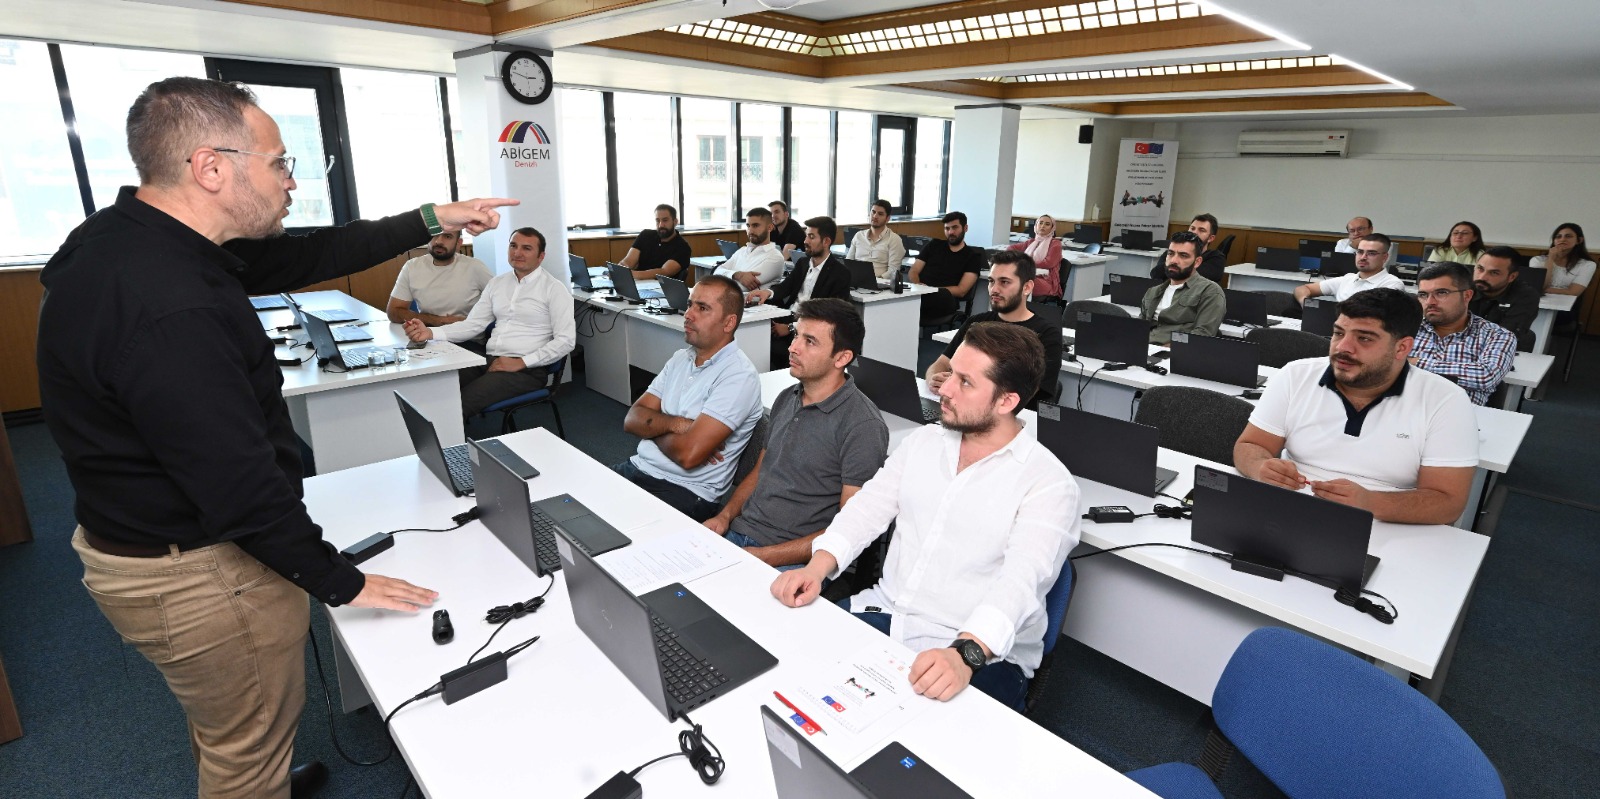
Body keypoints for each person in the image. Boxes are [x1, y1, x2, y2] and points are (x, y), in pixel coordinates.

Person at [35, 77, 507, 798]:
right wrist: (340, 580)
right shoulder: (173, 306)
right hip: (198, 573)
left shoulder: (133, 236)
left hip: (137, 539)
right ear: (211, 168)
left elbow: (308, 256)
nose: (293, 182)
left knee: (230, 723)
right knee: (243, 756)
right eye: (281, 163)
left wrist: (429, 215)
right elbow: (239, 491)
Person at [769, 323, 1080, 711]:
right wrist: (817, 567)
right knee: (784, 670)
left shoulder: (1049, 484)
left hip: (977, 649)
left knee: (902, 750)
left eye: (965, 382)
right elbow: (866, 510)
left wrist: (967, 654)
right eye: (951, 373)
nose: (944, 388)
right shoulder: (923, 443)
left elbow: (1021, 583)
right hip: (888, 613)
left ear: (1006, 401)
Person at [1233, 288, 1478, 525]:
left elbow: (1448, 502)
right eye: (1339, 333)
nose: (1342, 348)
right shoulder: (1296, 374)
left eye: (1364, 338)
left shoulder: (1446, 401)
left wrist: (1371, 502)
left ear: (1402, 348)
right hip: (1289, 507)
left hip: (1389, 522)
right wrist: (1260, 467)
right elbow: (1251, 445)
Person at [703, 299, 889, 568]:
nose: (793, 347)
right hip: (741, 534)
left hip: (793, 557)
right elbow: (762, 470)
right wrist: (725, 515)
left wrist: (763, 556)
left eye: (810, 341)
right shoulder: (787, 397)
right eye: (796, 335)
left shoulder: (863, 426)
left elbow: (849, 529)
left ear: (842, 357)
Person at [614, 276, 763, 523]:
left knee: (605, 539)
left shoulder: (738, 376)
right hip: (639, 467)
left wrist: (651, 427)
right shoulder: (680, 359)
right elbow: (631, 419)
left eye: (702, 308)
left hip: (685, 492)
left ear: (729, 323)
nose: (688, 314)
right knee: (573, 517)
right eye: (690, 304)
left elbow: (689, 455)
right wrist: (678, 425)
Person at [403, 227, 576, 418]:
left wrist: (521, 362)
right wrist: (430, 333)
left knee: (458, 404)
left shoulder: (554, 289)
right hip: (489, 359)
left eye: (526, 248)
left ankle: (445, 447)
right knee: (437, 384)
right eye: (513, 246)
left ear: (541, 256)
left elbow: (566, 341)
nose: (517, 252)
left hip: (527, 370)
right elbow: (473, 325)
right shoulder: (497, 284)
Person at [926, 250, 1061, 409]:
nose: (994, 289)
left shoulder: (1046, 335)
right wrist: (933, 379)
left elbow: (1028, 392)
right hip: (964, 406)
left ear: (1027, 287)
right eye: (991, 281)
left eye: (1004, 282)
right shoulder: (977, 322)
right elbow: (941, 363)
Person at [750, 216, 853, 366]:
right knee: (754, 337)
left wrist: (792, 328)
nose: (805, 241)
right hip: (788, 316)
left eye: (811, 237)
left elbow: (830, 316)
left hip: (809, 329)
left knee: (768, 350)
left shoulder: (840, 273)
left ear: (826, 242)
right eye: (806, 235)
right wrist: (768, 293)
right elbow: (786, 286)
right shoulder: (803, 263)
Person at [1411, 262, 1516, 405]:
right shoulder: (1406, 327)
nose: (1430, 302)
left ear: (1467, 295)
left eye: (1441, 293)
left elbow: (1486, 376)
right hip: (1401, 411)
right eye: (1423, 294)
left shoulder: (1497, 335)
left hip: (1459, 417)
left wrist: (1414, 362)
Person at [384, 228, 491, 328]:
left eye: (447, 236)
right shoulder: (412, 266)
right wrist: (439, 321)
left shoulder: (475, 267)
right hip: (428, 335)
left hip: (467, 338)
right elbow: (394, 312)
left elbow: (502, 303)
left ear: (458, 243)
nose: (439, 241)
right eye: (434, 235)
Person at [1138, 230, 1225, 345]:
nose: (1174, 260)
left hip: (1175, 355)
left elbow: (1202, 335)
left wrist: (1165, 349)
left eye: (1183, 255)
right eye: (1170, 253)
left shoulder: (1210, 291)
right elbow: (1138, 329)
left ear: (1197, 262)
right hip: (1143, 350)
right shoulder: (1153, 292)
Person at [912, 211, 986, 325]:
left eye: (955, 227)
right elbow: (914, 270)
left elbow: (962, 290)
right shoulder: (934, 245)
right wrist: (917, 285)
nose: (951, 232)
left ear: (965, 228)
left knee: (916, 301)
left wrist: (932, 290)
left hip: (945, 299)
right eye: (947, 228)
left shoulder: (973, 257)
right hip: (922, 292)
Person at [1293, 233, 1406, 304]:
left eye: (1371, 253)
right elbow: (1302, 289)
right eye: (1360, 252)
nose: (1363, 257)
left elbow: (1374, 316)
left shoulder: (1392, 284)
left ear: (1385, 257)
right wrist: (1307, 305)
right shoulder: (1347, 279)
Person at [1468, 246, 1541, 352]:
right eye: (1480, 268)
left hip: (1499, 353)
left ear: (1512, 277)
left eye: (1494, 273)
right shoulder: (1461, 286)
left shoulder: (1525, 296)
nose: (1482, 277)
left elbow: (1504, 336)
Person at [713, 206, 787, 292]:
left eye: (755, 225)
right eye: (748, 226)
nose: (750, 231)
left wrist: (727, 275)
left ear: (769, 227)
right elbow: (716, 273)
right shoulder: (742, 251)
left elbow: (741, 288)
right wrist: (737, 275)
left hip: (753, 304)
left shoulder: (775, 257)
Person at [1145, 213, 1225, 283]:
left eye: (1201, 230)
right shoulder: (1171, 252)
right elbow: (1156, 274)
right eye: (1192, 228)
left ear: (1211, 238)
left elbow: (1200, 277)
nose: (1194, 233)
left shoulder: (1216, 257)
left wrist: (1172, 267)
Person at [618, 204, 691, 280]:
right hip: (637, 284)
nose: (661, 225)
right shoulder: (645, 235)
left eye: (665, 220)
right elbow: (629, 261)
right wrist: (620, 269)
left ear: (675, 222)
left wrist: (631, 274)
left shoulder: (683, 248)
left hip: (662, 289)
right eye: (657, 220)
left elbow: (664, 272)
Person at [846, 198, 907, 280]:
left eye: (880, 214)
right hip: (856, 282)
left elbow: (893, 270)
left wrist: (876, 280)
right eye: (873, 212)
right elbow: (848, 263)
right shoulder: (859, 236)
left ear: (887, 218)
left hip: (880, 285)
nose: (875, 216)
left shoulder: (894, 239)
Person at [1009, 214, 1064, 302]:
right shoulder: (1031, 242)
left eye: (1047, 224)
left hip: (1046, 280)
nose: (1042, 226)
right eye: (1040, 223)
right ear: (1036, 226)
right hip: (1029, 274)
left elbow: (1048, 263)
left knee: (1021, 281)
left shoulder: (1055, 244)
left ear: (1052, 228)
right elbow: (1011, 249)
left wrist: (1025, 263)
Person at [1532, 222, 1594, 298]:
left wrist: (1544, 290)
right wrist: (1550, 258)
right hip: (1537, 302)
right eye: (1558, 237)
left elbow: (1574, 292)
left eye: (1568, 236)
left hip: (1565, 305)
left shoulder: (1587, 265)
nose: (1562, 239)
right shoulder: (1537, 260)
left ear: (1579, 240)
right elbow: (1540, 285)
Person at [1333, 216, 1398, 268]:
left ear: (1371, 229)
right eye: (1352, 231)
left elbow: (1379, 266)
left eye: (1360, 229)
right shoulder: (1342, 243)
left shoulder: (1383, 244)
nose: (1356, 233)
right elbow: (1338, 265)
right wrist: (1352, 247)